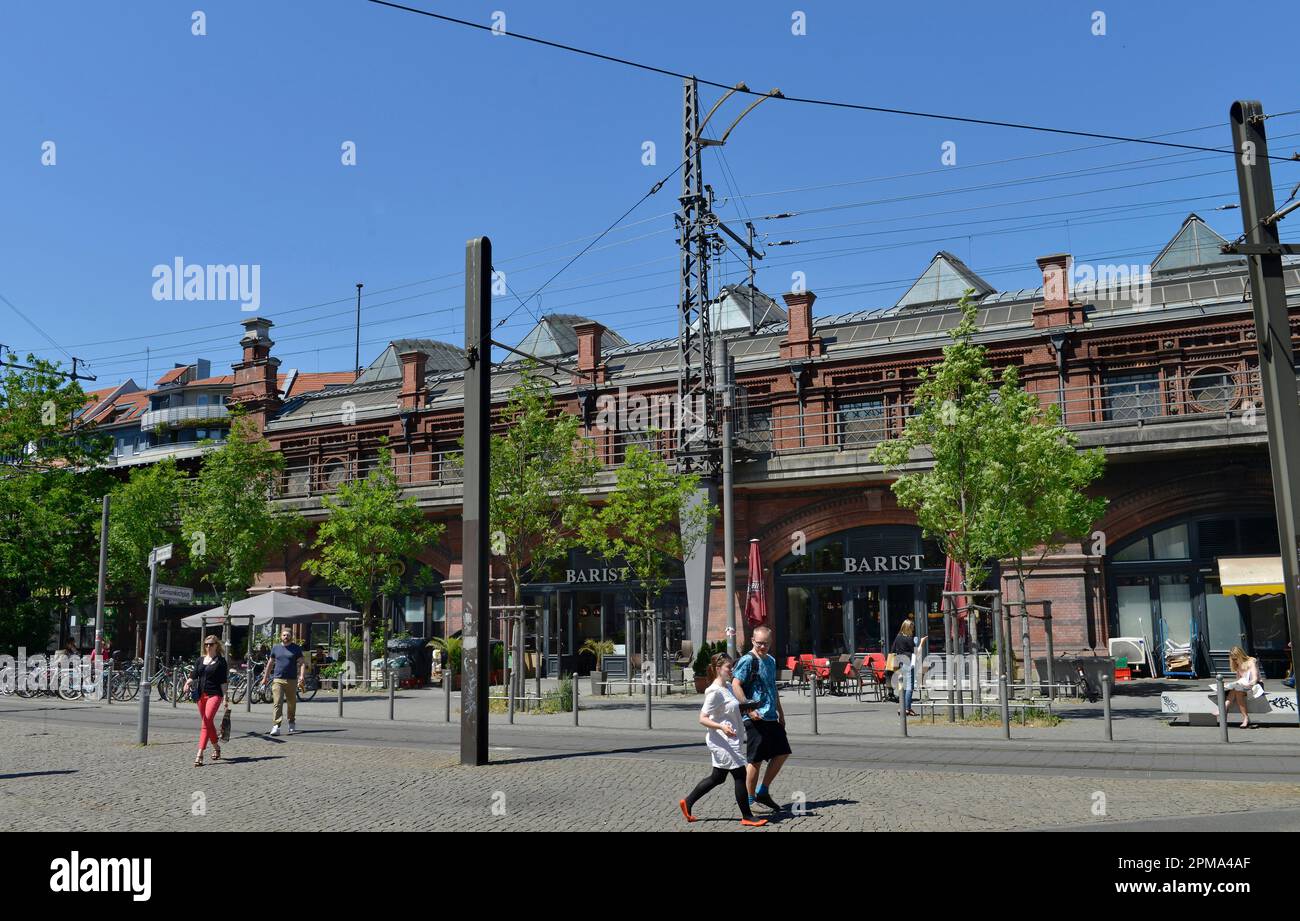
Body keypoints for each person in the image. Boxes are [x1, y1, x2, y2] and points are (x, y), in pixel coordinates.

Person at [678, 653, 767, 827]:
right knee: (740, 774)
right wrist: (722, 727)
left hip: (731, 738)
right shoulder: (714, 692)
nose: (731, 670)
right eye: (728, 667)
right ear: (718, 669)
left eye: (732, 666)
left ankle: (687, 802)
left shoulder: (727, 686)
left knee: (717, 777)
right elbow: (702, 718)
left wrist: (748, 710)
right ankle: (747, 816)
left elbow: (729, 709)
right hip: (721, 741)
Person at [731, 624, 792, 812]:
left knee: (782, 752)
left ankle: (763, 791)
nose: (762, 647)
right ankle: (750, 801)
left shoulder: (771, 660)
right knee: (755, 760)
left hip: (771, 716)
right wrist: (748, 709)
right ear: (752, 641)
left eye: (765, 644)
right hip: (755, 717)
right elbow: (736, 684)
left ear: (771, 642)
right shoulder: (747, 660)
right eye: (759, 644)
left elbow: (772, 688)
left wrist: (781, 713)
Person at [182, 635, 229, 766]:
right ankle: (217, 748)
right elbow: (194, 674)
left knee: (206, 721)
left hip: (215, 695)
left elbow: (223, 681)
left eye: (211, 644)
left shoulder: (221, 661)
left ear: (216, 645)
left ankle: (200, 754)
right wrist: (188, 682)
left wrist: (225, 697)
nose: (208, 646)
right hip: (200, 695)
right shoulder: (200, 660)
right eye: (206, 644)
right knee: (208, 723)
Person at [262, 627, 305, 736]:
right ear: (281, 636)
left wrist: (302, 676)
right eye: (284, 635)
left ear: (291, 636)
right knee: (277, 702)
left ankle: (291, 722)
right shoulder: (276, 648)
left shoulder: (296, 648)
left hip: (291, 680)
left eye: (288, 635)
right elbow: (270, 663)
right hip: (278, 679)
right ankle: (276, 725)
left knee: (291, 703)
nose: (286, 637)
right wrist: (265, 677)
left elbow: (302, 663)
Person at [892, 618, 924, 717]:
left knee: (904, 687)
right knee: (909, 687)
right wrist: (922, 642)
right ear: (908, 628)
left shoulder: (898, 637)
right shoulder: (909, 639)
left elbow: (893, 649)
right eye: (912, 628)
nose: (913, 629)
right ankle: (906, 709)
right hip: (908, 663)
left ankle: (904, 708)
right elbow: (916, 652)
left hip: (900, 663)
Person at [1226, 646, 1264, 729]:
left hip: (1256, 685)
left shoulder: (1251, 661)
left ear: (1240, 655)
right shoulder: (1237, 665)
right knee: (1237, 690)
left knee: (1237, 690)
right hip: (1244, 687)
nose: (1235, 661)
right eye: (1233, 659)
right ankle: (1245, 718)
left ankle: (1224, 709)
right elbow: (1239, 680)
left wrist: (1249, 684)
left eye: (1236, 659)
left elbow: (1255, 678)